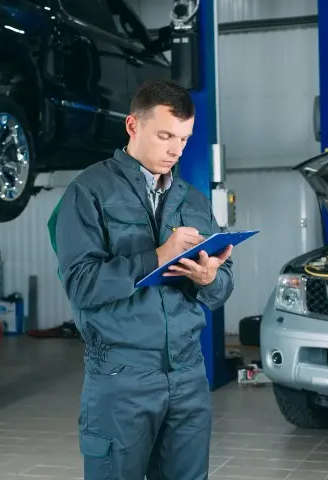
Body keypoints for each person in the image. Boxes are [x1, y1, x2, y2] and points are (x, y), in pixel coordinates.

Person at [50, 78, 234, 480]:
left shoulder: (194, 201)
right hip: (121, 377)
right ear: (133, 126)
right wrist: (157, 257)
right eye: (165, 135)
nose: (175, 150)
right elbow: (81, 284)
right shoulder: (88, 193)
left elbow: (222, 290)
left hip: (187, 375)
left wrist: (208, 279)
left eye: (184, 139)